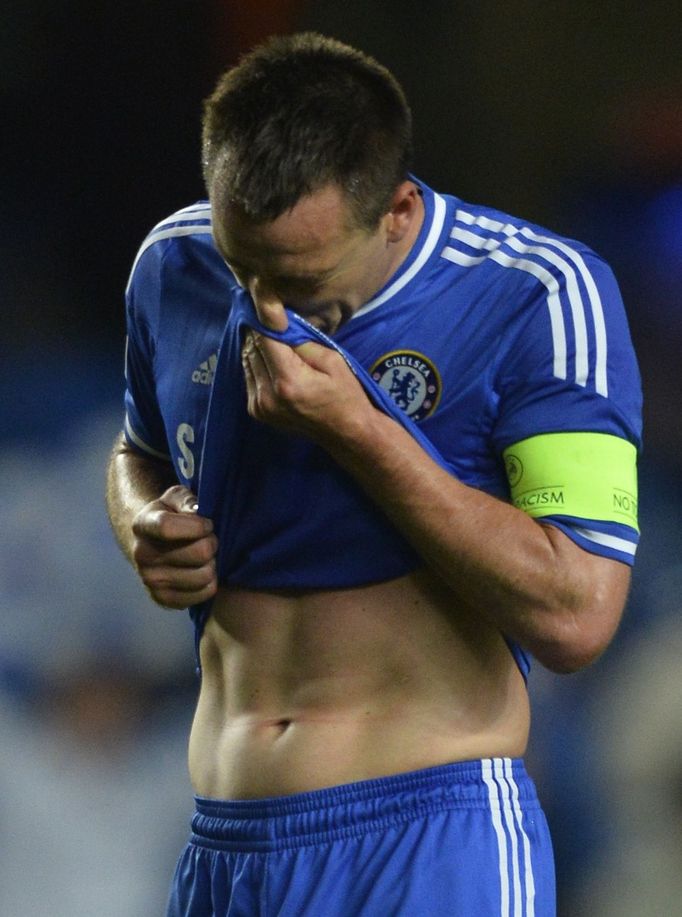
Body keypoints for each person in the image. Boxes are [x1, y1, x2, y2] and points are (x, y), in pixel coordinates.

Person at [106, 31, 642, 916]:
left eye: (304, 283)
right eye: (247, 271)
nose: (267, 310)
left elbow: (577, 611)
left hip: (428, 845)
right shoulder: (174, 263)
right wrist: (142, 522)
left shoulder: (537, 294)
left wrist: (359, 429)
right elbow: (138, 452)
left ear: (396, 210)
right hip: (225, 851)